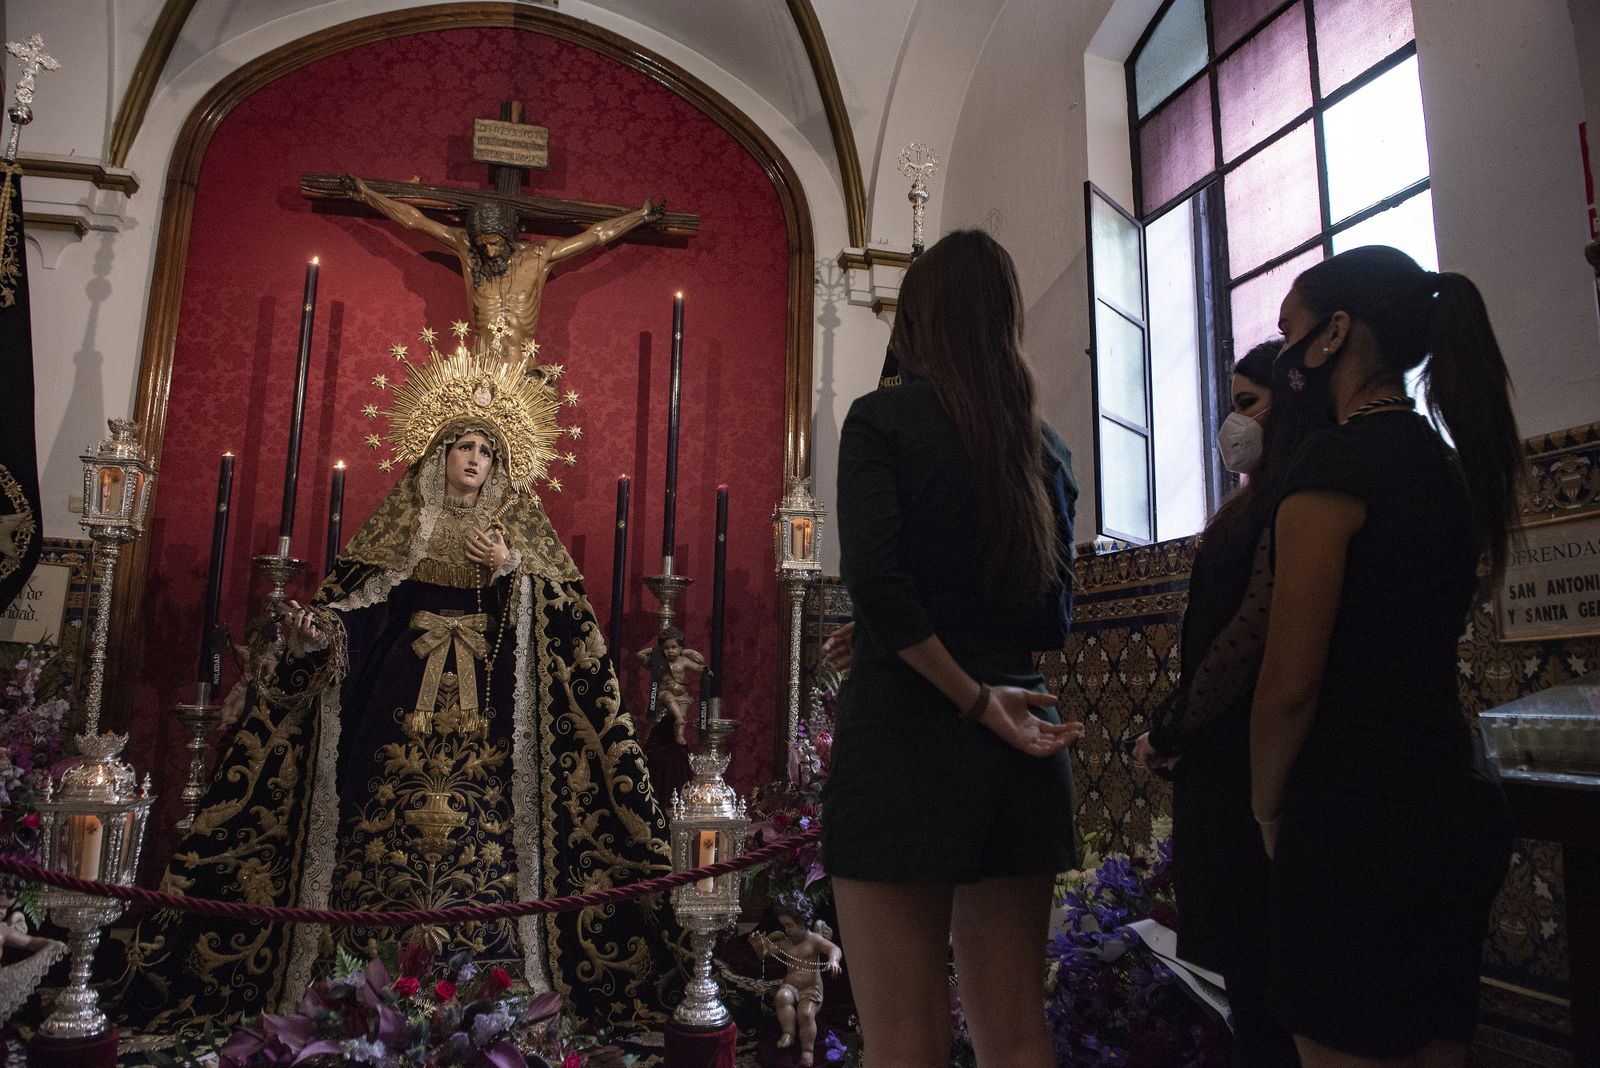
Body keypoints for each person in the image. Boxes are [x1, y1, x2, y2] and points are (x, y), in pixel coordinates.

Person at [121, 352, 681, 1032]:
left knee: (488, 833)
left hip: (494, 718)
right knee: (378, 819)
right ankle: (365, 973)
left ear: (500, 465)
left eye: (485, 449)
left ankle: (491, 977)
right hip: (398, 707)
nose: (473, 458)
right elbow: (365, 605)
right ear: (439, 454)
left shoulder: (519, 534)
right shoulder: (405, 525)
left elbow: (571, 633)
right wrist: (320, 630)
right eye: (462, 446)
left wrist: (513, 570)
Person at [1250, 246, 1519, 1065]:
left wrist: (1267, 807)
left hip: (1354, 816)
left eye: (1290, 330)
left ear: (1334, 335)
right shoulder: (1448, 466)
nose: (1286, 353)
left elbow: (1291, 682)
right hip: (1448, 793)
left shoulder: (1334, 464)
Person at [822, 229, 1083, 1068]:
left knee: (904, 1040)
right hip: (1025, 742)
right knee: (1015, 1034)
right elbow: (1050, 619)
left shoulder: (883, 419)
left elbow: (882, 585)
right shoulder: (1045, 448)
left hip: (910, 736)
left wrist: (964, 693)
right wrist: (984, 681)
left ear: (918, 320)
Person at [1131, 338, 1308, 1066]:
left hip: (1249, 767)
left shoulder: (1295, 501)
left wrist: (1171, 729)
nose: (1232, 424)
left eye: (1247, 404)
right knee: (1252, 990)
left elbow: (1248, 639)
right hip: (1223, 764)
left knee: (1273, 991)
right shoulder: (1252, 505)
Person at [342, 175, 662, 351]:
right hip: (479, 373)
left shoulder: (538, 256)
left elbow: (597, 234)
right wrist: (367, 194)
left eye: (496, 243)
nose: (490, 252)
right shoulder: (468, 251)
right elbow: (414, 220)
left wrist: (640, 216)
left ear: (510, 238)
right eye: (483, 245)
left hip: (525, 372)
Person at [750, 894, 844, 1066]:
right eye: (784, 926)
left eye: (789, 925)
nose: (787, 930)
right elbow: (764, 954)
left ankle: (807, 1051)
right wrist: (758, 944)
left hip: (811, 989)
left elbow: (834, 949)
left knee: (806, 1014)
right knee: (782, 997)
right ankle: (789, 1033)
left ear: (802, 921)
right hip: (791, 986)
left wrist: (833, 960)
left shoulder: (814, 940)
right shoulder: (786, 943)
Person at [635, 626, 705, 745]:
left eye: (674, 647)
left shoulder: (683, 660)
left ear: (680, 647)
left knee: (683, 716)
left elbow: (699, 664)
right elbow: (639, 655)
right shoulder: (659, 661)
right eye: (666, 648)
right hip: (664, 693)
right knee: (670, 698)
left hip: (682, 695)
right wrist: (655, 650)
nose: (670, 651)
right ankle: (677, 718)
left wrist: (686, 653)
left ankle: (679, 735)